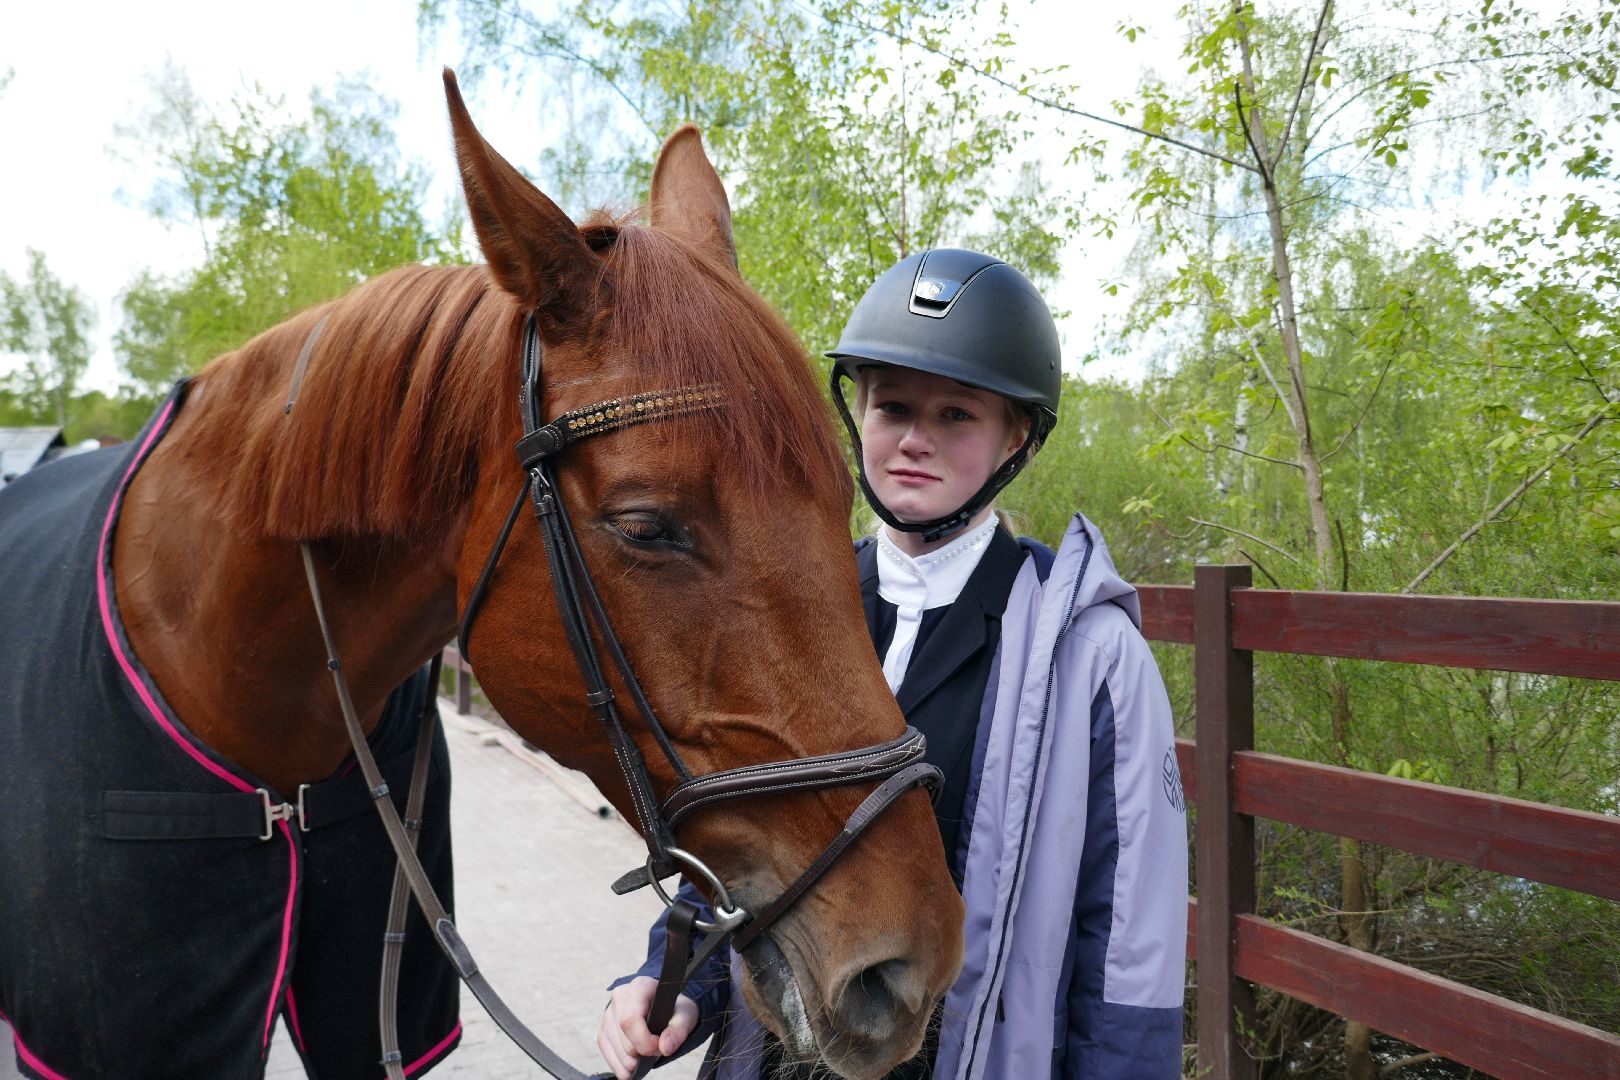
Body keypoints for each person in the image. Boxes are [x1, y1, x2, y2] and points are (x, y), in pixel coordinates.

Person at [597, 249, 1188, 1080]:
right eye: (894, 407)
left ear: (1015, 436)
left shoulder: (1093, 657)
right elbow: (738, 830)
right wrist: (674, 982)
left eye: (956, 416)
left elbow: (1125, 936)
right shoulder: (782, 610)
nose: (915, 440)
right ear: (859, 416)